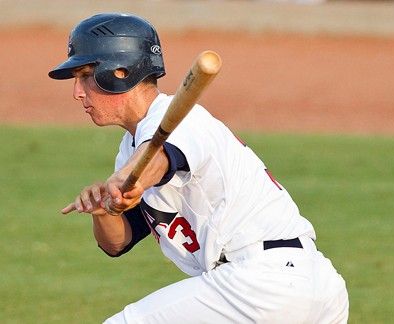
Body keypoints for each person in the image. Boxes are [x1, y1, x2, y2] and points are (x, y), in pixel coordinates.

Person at [50, 13, 349, 323]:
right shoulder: (132, 146)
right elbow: (118, 243)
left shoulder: (180, 119)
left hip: (261, 282)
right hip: (307, 286)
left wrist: (124, 179)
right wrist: (106, 211)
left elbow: (159, 159)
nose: (78, 92)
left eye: (85, 75)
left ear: (120, 72)